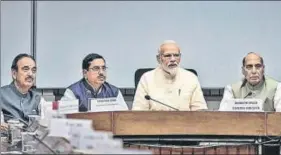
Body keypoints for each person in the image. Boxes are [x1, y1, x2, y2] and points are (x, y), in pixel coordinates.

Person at [132, 40, 208, 111]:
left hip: (185, 124)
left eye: (176, 55)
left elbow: (200, 110)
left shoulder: (191, 78)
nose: (173, 59)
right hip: (155, 124)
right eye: (168, 55)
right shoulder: (147, 79)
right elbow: (138, 111)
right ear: (159, 58)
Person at [61, 53, 128, 112]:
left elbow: (124, 117)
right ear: (85, 73)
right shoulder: (73, 92)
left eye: (103, 68)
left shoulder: (114, 92)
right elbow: (65, 119)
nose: (101, 72)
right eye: (96, 68)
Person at [0, 53, 45, 124]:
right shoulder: (1, 95)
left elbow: (44, 126)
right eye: (25, 69)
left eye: (33, 70)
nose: (30, 74)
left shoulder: (38, 99)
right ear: (14, 74)